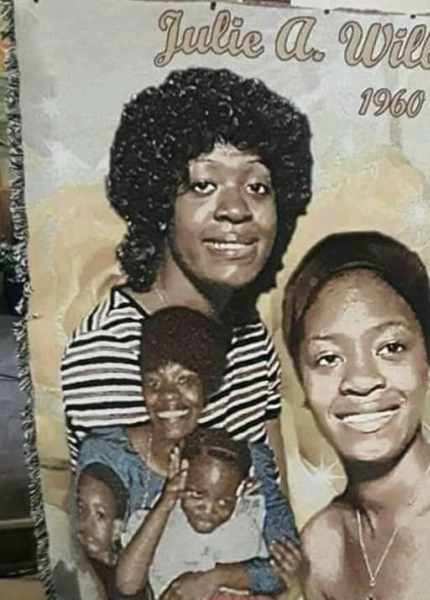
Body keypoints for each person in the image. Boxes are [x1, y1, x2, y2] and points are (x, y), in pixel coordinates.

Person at [61, 67, 313, 489]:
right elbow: (123, 525)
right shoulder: (110, 352)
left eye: (257, 187)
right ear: (160, 202)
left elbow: (272, 497)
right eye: (203, 185)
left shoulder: (250, 334)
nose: (236, 209)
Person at [281, 231, 430, 600]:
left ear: (427, 363)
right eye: (328, 358)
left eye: (391, 347)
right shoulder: (321, 544)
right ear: (304, 384)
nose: (361, 380)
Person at [78, 307, 300, 599]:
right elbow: (106, 576)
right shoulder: (107, 457)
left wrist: (216, 579)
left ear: (206, 388)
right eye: (153, 382)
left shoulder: (242, 460)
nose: (168, 396)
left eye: (185, 380)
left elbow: (287, 563)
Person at [117, 427, 298, 600]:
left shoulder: (255, 511)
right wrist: (167, 501)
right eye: (197, 495)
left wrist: (214, 578)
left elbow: (284, 570)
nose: (209, 510)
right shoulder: (154, 521)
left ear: (242, 486)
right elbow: (127, 584)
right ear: (182, 470)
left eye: (224, 502)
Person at [76, 462, 152, 600]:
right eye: (80, 508)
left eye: (100, 515)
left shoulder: (129, 576)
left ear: (116, 529)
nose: (84, 521)